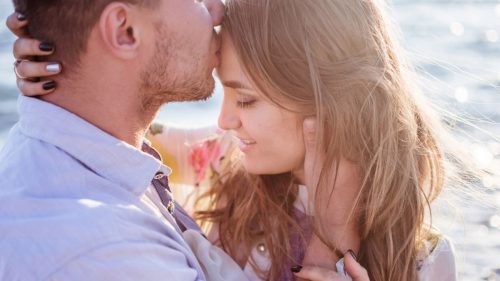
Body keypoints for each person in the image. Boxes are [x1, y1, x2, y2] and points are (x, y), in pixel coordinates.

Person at [5, 0, 460, 281]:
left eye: (245, 101)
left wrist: (69, 72)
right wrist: (71, 66)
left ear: (331, 103)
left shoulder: (423, 256)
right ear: (124, 31)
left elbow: (118, 146)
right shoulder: (224, 165)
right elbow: (122, 142)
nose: (223, 120)